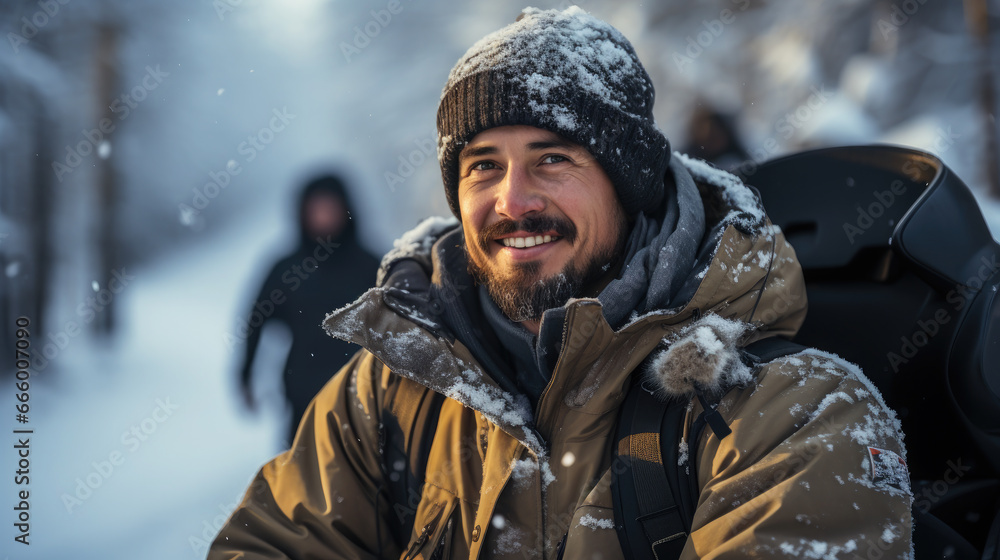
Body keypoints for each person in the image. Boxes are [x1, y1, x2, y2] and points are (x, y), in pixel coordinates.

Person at [210, 8, 913, 559]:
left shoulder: (792, 413)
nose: (513, 201)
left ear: (628, 182)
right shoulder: (392, 395)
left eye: (552, 159)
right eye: (482, 165)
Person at [236, 174, 379, 444]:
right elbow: (256, 321)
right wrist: (245, 375)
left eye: (330, 208)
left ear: (346, 210)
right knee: (304, 480)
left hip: (364, 399)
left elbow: (400, 327)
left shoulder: (372, 266)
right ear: (302, 213)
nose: (323, 216)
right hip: (303, 396)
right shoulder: (286, 270)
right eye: (316, 208)